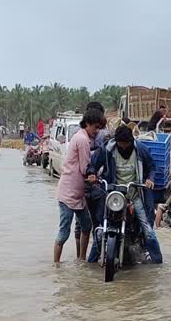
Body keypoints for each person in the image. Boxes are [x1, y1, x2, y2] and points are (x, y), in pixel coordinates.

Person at [87, 125, 163, 264]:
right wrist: (91, 174)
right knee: (100, 230)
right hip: (112, 196)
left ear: (131, 141)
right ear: (116, 141)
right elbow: (93, 164)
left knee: (148, 231)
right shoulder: (107, 149)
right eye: (120, 144)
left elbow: (152, 167)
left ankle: (158, 264)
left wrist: (150, 179)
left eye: (126, 144)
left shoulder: (141, 149)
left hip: (135, 194)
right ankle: (89, 265)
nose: (123, 147)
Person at [54, 108, 104, 263]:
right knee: (64, 232)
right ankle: (56, 264)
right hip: (69, 194)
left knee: (86, 225)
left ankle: (81, 260)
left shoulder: (81, 137)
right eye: (96, 127)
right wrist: (94, 176)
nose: (97, 131)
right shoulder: (82, 140)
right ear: (88, 124)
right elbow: (85, 167)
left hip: (78, 194)